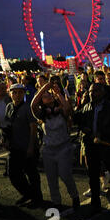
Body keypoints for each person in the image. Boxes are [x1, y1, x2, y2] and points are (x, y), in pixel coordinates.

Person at [74, 83, 110, 215]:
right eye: (90, 91)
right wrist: (84, 129)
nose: (92, 93)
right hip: (91, 145)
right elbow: (78, 120)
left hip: (106, 144)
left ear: (102, 92)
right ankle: (95, 203)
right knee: (93, 175)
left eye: (95, 91)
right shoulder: (87, 106)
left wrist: (104, 133)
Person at [31, 81, 80, 210]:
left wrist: (58, 93)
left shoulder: (61, 110)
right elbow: (33, 105)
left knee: (65, 175)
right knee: (51, 179)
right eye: (44, 96)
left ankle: (74, 196)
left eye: (49, 94)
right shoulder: (42, 114)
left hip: (63, 147)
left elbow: (68, 108)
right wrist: (44, 87)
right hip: (48, 149)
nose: (47, 96)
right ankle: (56, 202)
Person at [2, 83, 43, 208]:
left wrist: (31, 146)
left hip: (27, 147)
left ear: (24, 94)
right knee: (13, 173)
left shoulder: (27, 108)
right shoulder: (8, 107)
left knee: (31, 174)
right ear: (10, 94)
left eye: (20, 92)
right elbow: (7, 126)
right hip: (14, 147)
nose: (17, 95)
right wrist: (5, 139)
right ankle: (28, 194)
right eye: (14, 92)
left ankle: (37, 198)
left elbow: (33, 127)